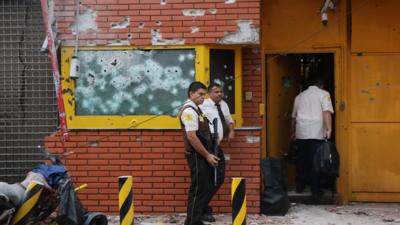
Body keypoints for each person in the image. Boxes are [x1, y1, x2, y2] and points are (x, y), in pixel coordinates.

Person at [178, 81, 220, 225]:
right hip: (196, 155)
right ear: (191, 94)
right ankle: (192, 222)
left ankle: (195, 219)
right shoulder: (189, 111)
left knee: (203, 187)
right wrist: (207, 155)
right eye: (200, 94)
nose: (203, 98)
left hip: (201, 154)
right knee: (198, 189)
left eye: (204, 95)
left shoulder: (196, 109)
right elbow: (191, 136)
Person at [291, 75, 334, 202]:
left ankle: (300, 186)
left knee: (302, 160)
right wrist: (329, 128)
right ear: (322, 85)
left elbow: (293, 117)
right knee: (316, 162)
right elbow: (326, 111)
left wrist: (292, 132)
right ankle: (316, 190)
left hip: (301, 132)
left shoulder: (299, 96)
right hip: (316, 133)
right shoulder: (324, 94)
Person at [199, 83, 234, 222]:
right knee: (211, 178)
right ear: (209, 93)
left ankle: (203, 208)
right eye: (216, 92)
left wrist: (231, 130)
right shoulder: (203, 105)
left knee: (218, 178)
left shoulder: (223, 105)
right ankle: (202, 209)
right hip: (207, 146)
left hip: (216, 146)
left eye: (221, 91)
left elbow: (228, 119)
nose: (219, 94)